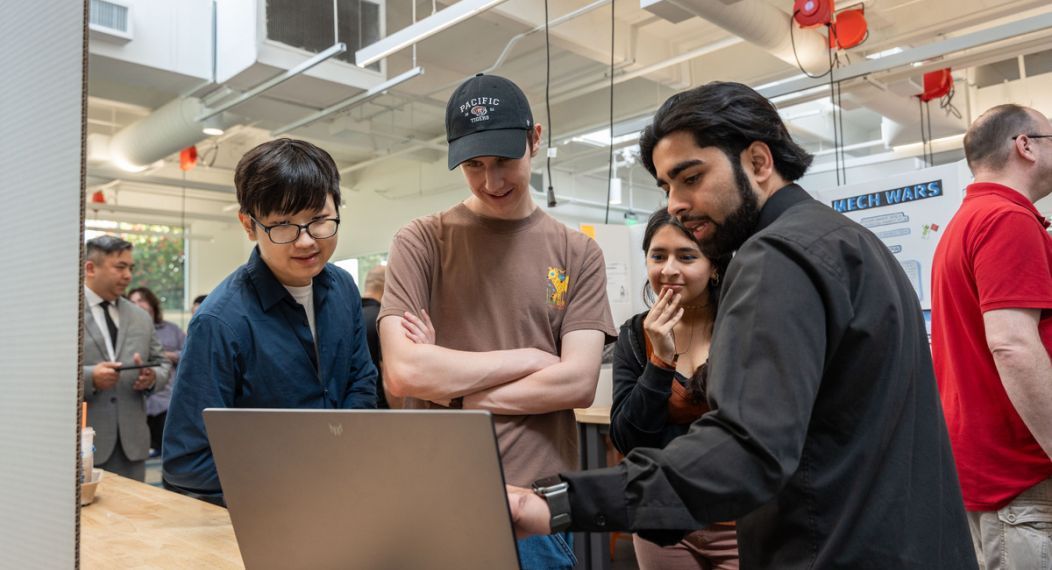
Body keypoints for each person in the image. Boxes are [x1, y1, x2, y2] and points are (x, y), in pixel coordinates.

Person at [508, 81, 977, 569]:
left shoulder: (774, 256)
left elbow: (745, 451)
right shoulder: (850, 242)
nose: (675, 204)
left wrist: (557, 501)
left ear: (757, 161)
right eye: (667, 186)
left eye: (690, 177)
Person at [378, 73, 616, 570]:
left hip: (534, 508)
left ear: (535, 138)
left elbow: (577, 382)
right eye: (473, 165)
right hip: (433, 499)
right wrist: (530, 359)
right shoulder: (422, 241)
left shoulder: (577, 252)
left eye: (505, 161)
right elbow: (404, 374)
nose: (491, 182)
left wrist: (450, 387)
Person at [163, 138, 377, 503]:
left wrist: (342, 453)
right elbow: (187, 462)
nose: (306, 241)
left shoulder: (341, 286)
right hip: (265, 511)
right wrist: (300, 476)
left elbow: (361, 380)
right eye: (283, 226)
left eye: (319, 220)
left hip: (342, 491)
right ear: (249, 225)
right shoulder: (220, 321)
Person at [930, 104, 1052, 569]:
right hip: (1023, 480)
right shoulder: (1006, 220)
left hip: (991, 478)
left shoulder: (967, 222)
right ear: (1026, 146)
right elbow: (1013, 345)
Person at [610, 209, 737, 569]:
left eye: (686, 256)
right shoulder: (635, 335)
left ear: (714, 265)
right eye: (658, 255)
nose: (668, 269)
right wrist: (660, 361)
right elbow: (628, 438)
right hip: (662, 519)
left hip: (739, 521)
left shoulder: (743, 327)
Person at [82, 235, 171, 481]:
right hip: (82, 446)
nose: (128, 275)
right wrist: (91, 377)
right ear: (90, 268)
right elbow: (47, 374)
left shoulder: (140, 317)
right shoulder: (67, 313)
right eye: (120, 267)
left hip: (132, 448)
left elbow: (162, 363)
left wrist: (151, 377)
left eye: (130, 268)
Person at [127, 286, 186, 456]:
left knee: (170, 453)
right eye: (132, 302)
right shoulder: (129, 332)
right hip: (139, 402)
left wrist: (169, 355)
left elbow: (190, 354)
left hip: (167, 400)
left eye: (141, 300)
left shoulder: (172, 330)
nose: (137, 305)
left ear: (151, 304)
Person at [360, 265, 390, 408]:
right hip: (380, 408)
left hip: (350, 408)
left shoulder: (345, 318)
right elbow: (389, 377)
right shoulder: (383, 320)